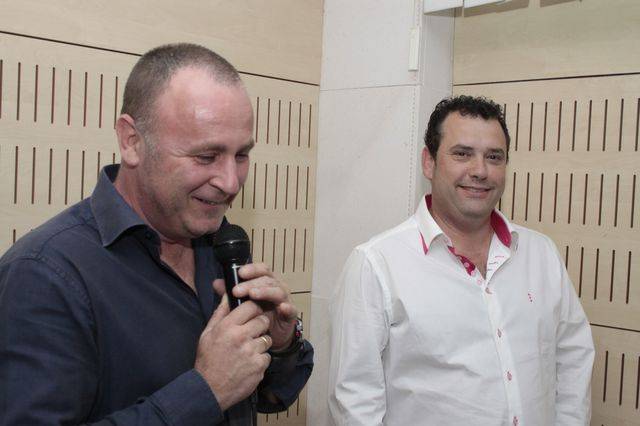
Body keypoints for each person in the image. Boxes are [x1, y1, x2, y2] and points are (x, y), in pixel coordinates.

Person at [0, 43, 313, 425]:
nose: (231, 182)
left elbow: (266, 394)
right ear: (132, 141)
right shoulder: (45, 275)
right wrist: (205, 392)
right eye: (206, 156)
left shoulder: (219, 242)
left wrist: (279, 345)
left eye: (241, 155)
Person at [328, 95, 594, 425]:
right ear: (429, 162)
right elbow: (355, 403)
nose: (480, 171)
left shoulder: (541, 254)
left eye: (494, 157)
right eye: (462, 154)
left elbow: (573, 357)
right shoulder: (376, 265)